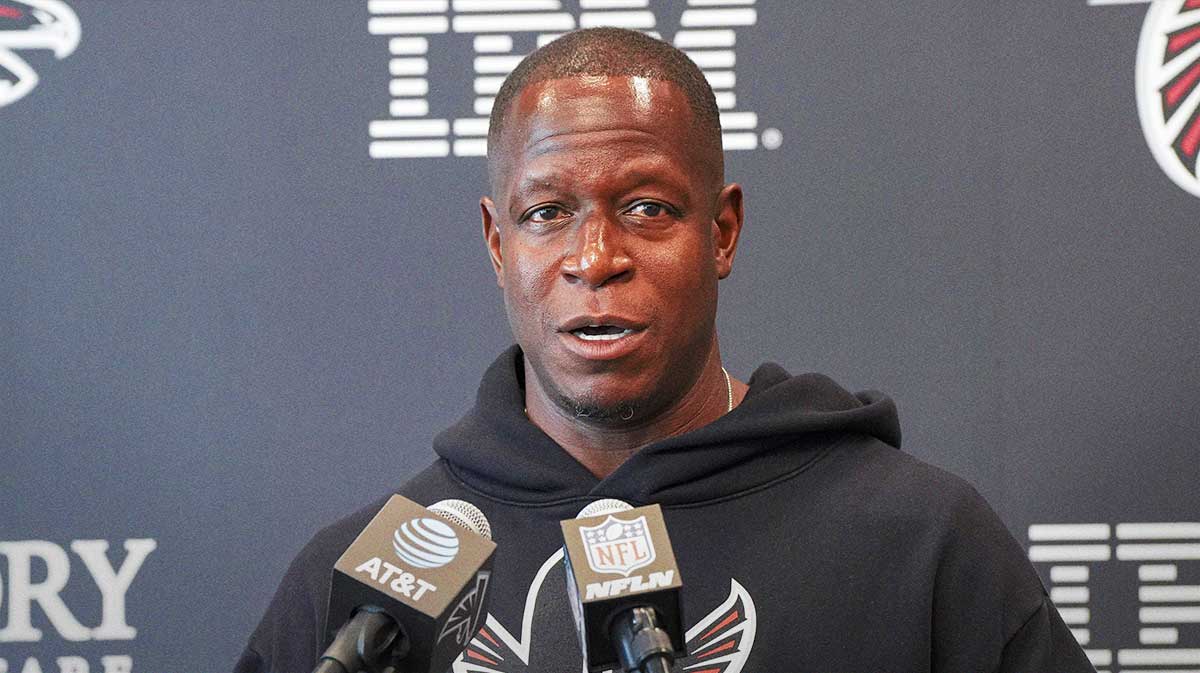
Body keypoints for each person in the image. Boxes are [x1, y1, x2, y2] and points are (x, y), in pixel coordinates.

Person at [236, 28, 1095, 673]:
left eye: (647, 208)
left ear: (722, 232)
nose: (594, 258)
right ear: (498, 245)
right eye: (547, 214)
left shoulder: (922, 545)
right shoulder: (355, 601)